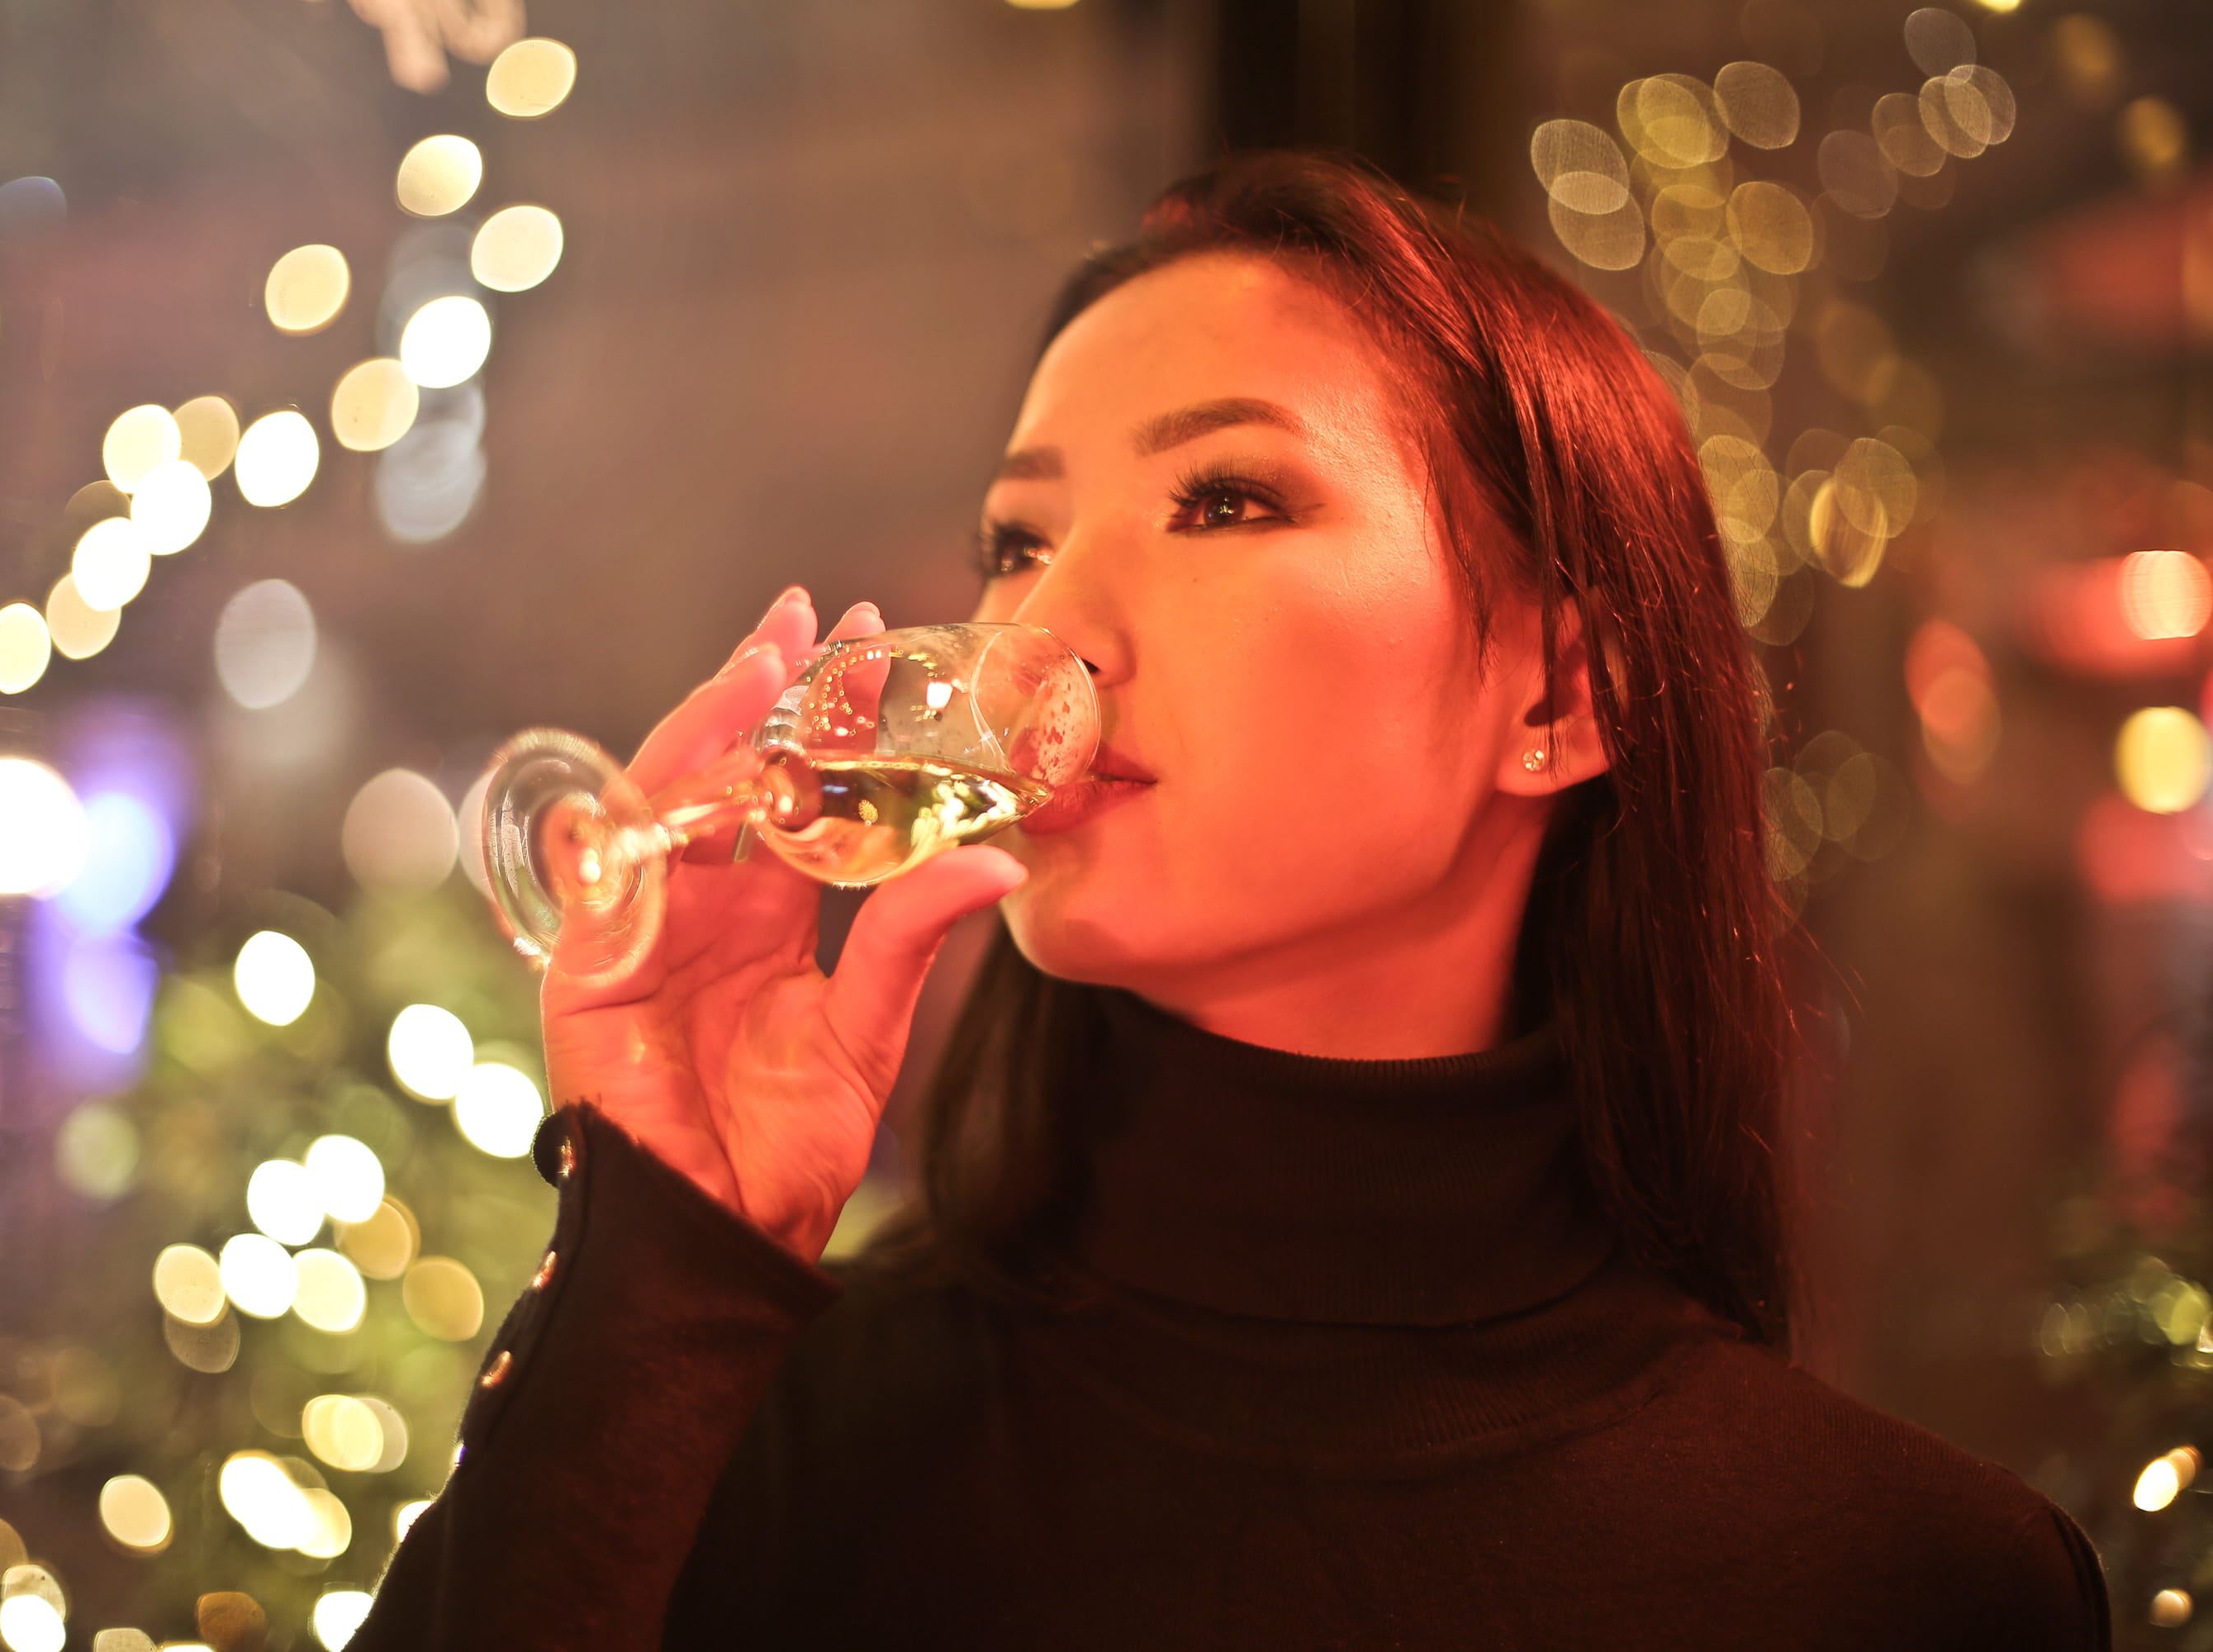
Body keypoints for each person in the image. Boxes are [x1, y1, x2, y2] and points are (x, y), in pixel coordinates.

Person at [349, 153, 2109, 1650]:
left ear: (1560, 695)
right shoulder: (750, 1424)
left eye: (1226, 498)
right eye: (1020, 541)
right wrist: (654, 1265)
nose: (1043, 636)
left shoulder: (1899, 1583)